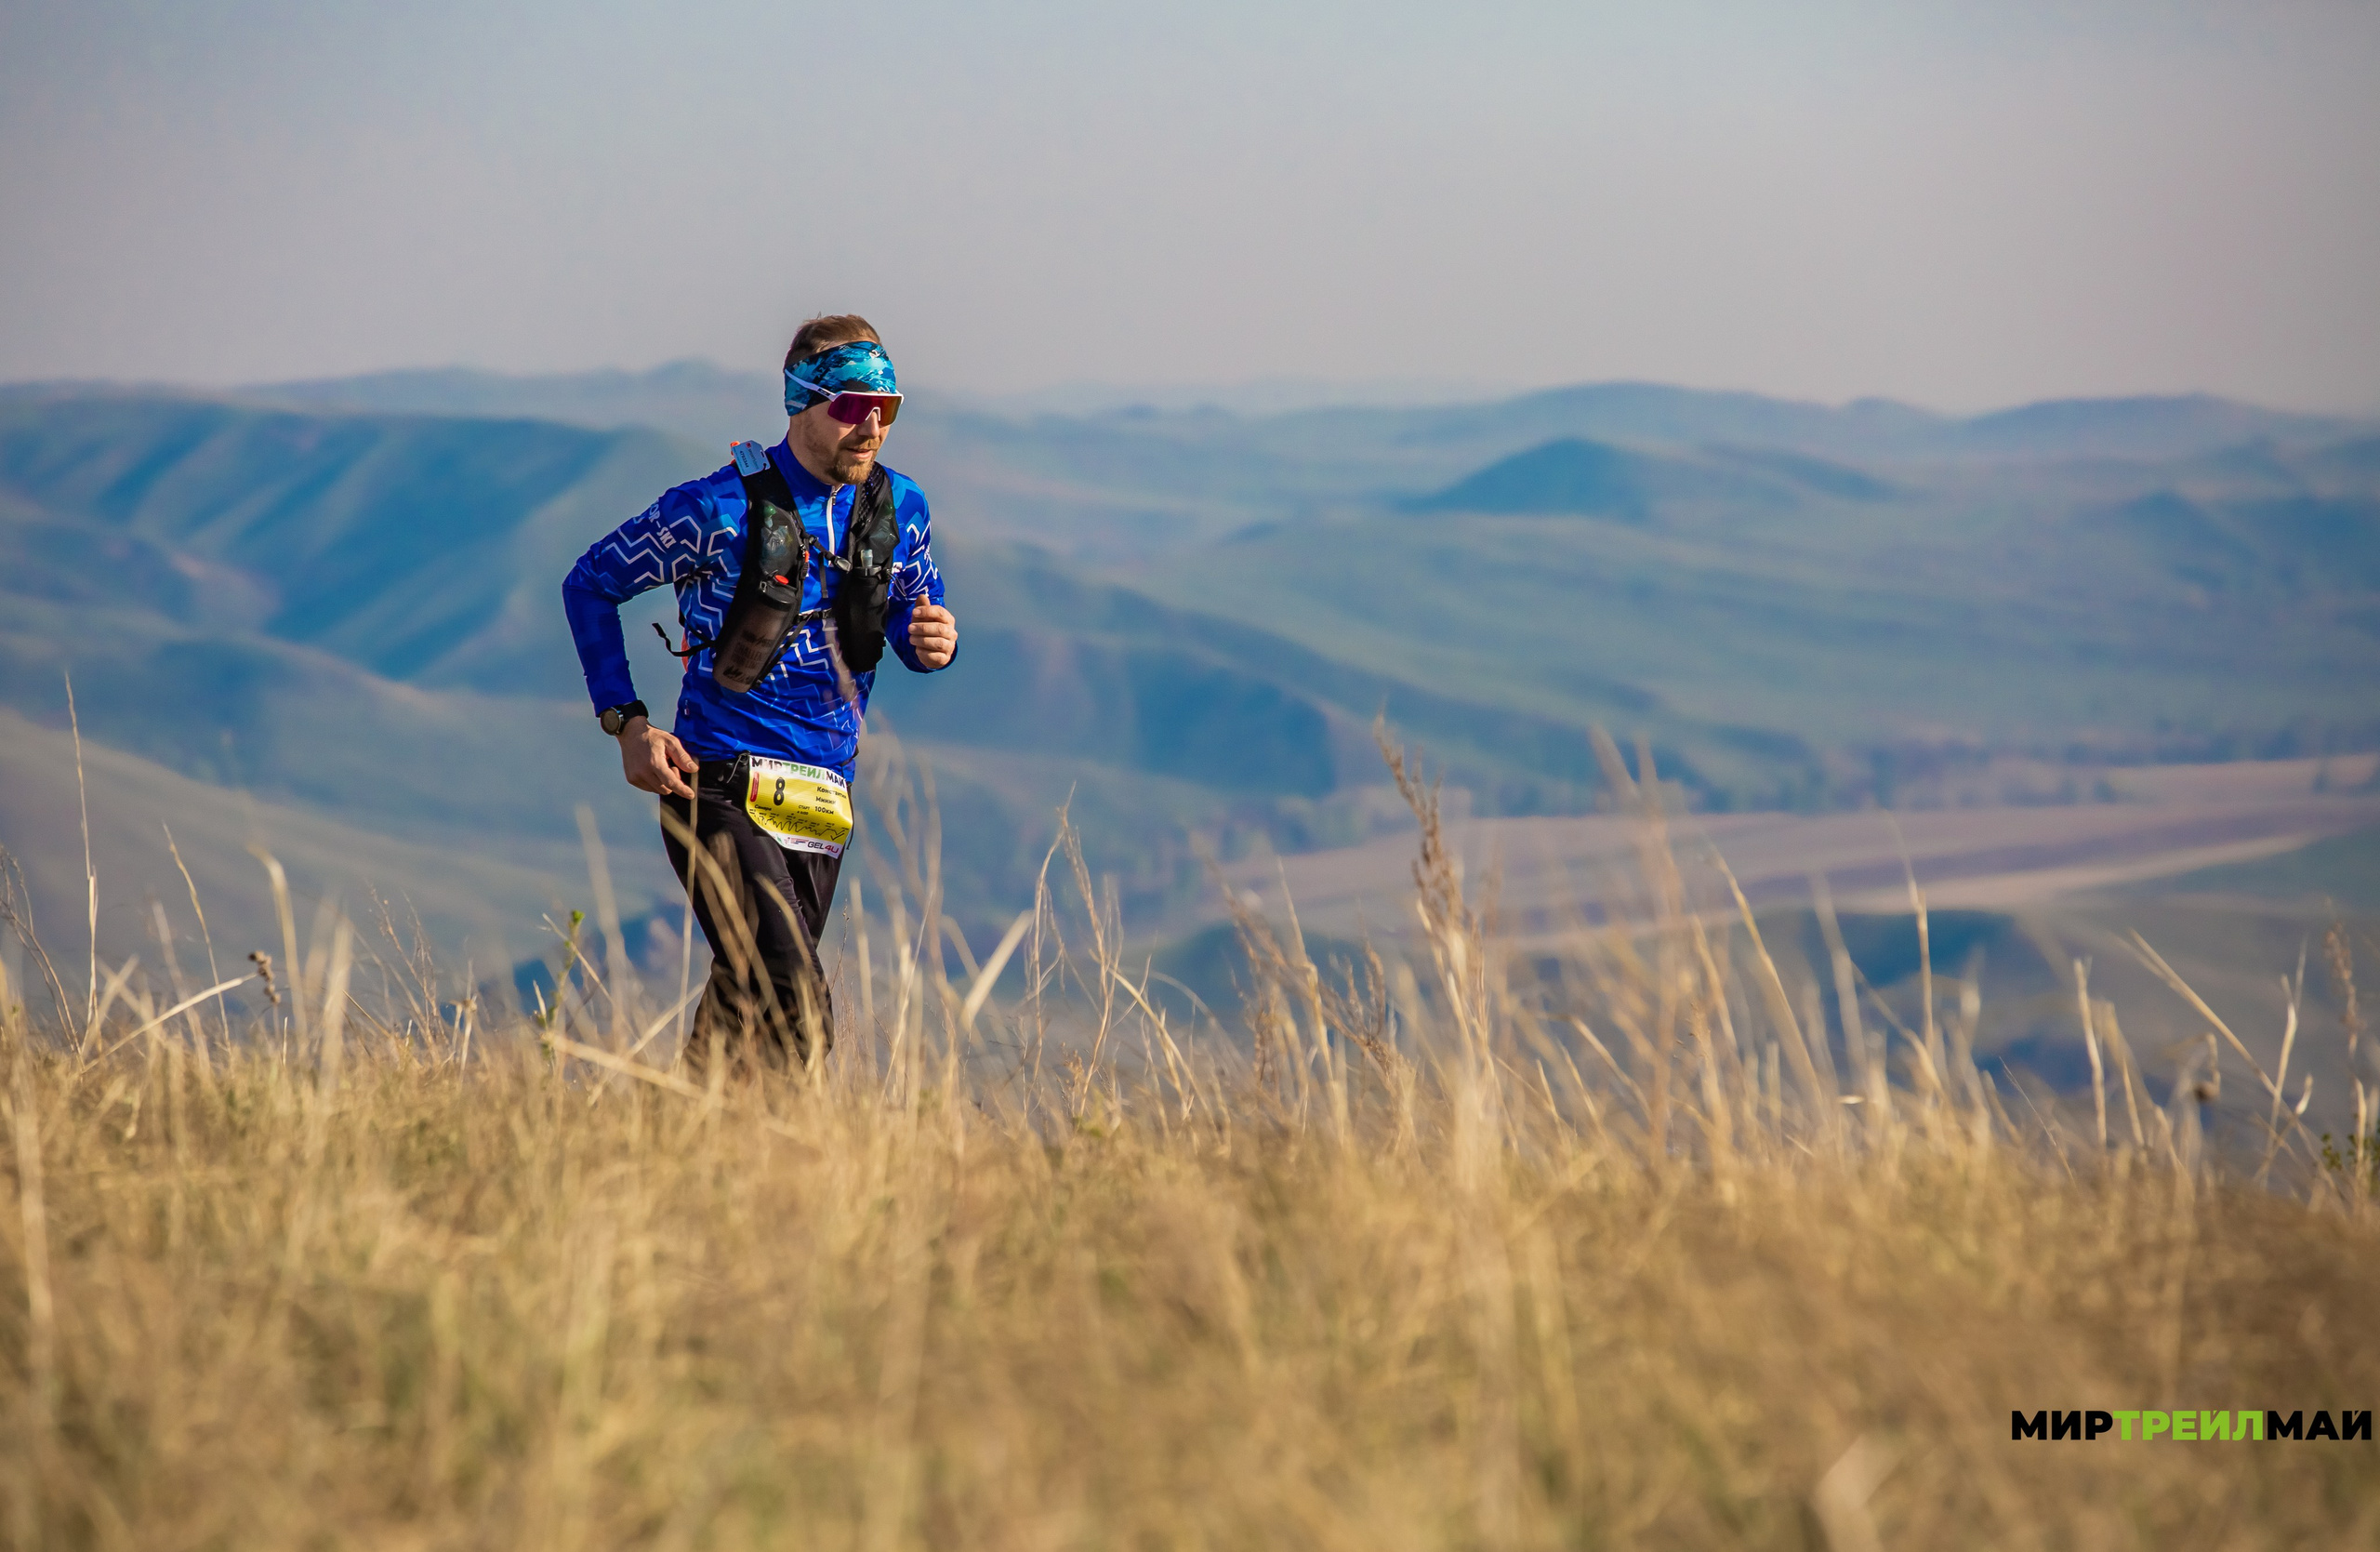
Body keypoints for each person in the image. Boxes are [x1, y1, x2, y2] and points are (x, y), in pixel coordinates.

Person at [561, 314, 957, 1073]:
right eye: (849, 406)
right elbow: (591, 583)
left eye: (887, 407)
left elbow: (914, 614)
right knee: (797, 1004)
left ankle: (681, 1146)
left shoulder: (903, 510)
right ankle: (794, 1174)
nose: (870, 425)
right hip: (714, 783)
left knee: (746, 1003)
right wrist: (626, 722)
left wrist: (934, 641)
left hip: (823, 796)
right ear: (799, 401)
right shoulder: (715, 510)